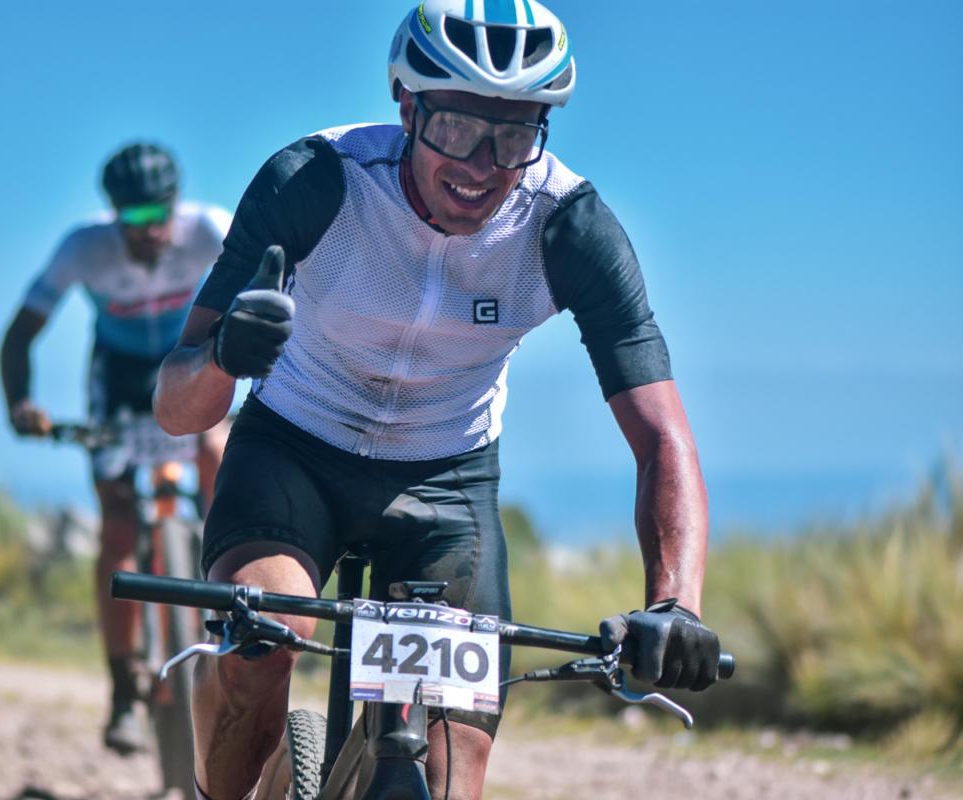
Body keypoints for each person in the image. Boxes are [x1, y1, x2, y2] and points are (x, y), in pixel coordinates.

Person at [154, 2, 721, 797]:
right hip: (292, 451)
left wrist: (677, 604)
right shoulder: (314, 182)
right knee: (268, 641)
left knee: (456, 774)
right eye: (455, 127)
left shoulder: (568, 228)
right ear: (406, 106)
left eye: (514, 136)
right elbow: (176, 408)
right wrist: (222, 357)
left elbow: (663, 438)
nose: (482, 165)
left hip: (445, 482)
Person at [0, 142, 231, 754]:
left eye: (160, 213)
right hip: (118, 382)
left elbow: (286, 290)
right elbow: (20, 334)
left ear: (177, 204)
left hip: (187, 363)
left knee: (216, 449)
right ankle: (124, 686)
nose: (149, 229)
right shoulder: (84, 247)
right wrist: (21, 404)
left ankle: (228, 568)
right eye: (133, 217)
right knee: (118, 526)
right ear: (113, 213)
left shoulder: (210, 229)